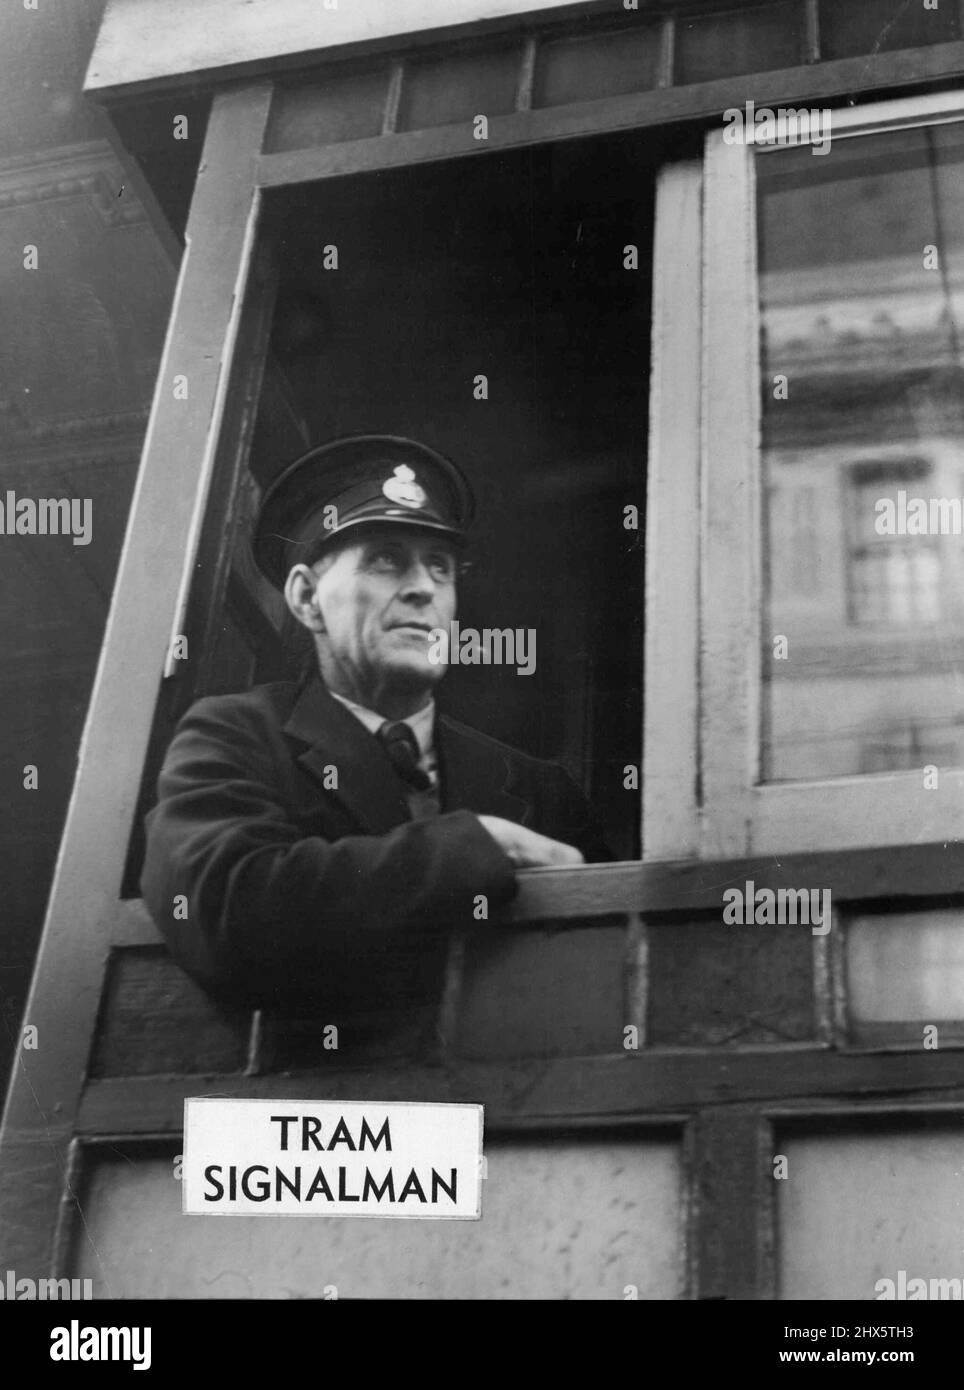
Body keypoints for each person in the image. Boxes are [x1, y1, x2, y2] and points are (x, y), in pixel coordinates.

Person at [141, 434, 610, 1008]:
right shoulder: (235, 737)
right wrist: (476, 848)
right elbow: (222, 910)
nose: (422, 589)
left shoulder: (542, 791)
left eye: (440, 567)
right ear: (308, 598)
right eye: (387, 559)